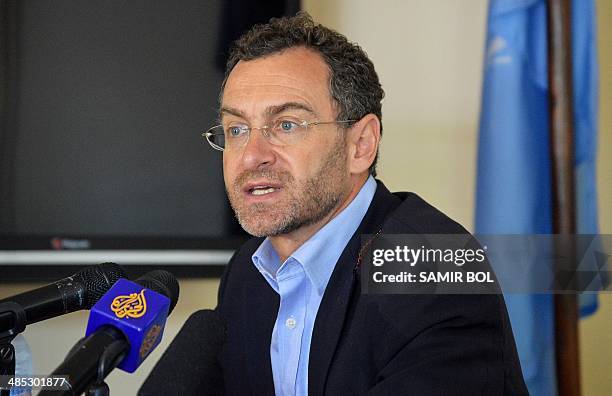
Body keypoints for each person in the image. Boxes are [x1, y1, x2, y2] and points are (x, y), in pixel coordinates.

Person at [209, 12, 528, 395]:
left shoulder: (435, 272)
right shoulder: (247, 272)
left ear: (360, 145)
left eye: (287, 125)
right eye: (237, 130)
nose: (250, 156)